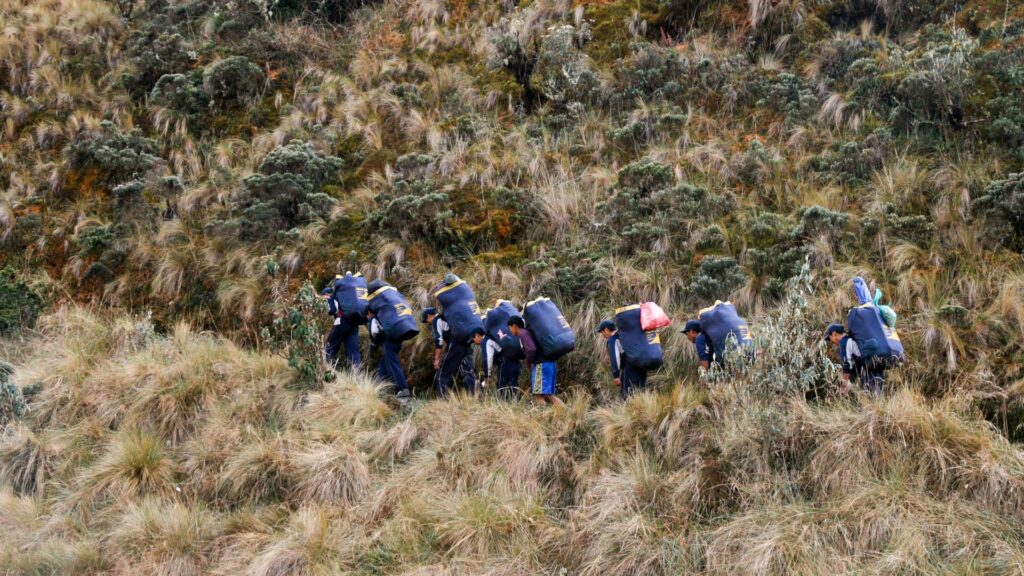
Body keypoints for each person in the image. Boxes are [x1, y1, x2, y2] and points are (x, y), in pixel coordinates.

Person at [508, 315, 564, 408]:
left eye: (509, 327)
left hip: (541, 365)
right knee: (548, 395)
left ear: (514, 325)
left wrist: (528, 362)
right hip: (549, 363)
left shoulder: (523, 333)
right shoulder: (529, 332)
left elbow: (531, 349)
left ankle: (542, 417)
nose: (510, 330)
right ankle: (569, 412)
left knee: (538, 395)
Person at [824, 323, 883, 395]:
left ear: (834, 334)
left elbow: (847, 365)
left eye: (830, 338)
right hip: (875, 367)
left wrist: (843, 387)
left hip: (868, 373)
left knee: (873, 398)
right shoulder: (852, 339)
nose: (831, 341)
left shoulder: (844, 342)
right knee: (878, 397)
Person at [368, 309, 411, 401]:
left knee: (393, 365)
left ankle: (402, 389)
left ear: (369, 312)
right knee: (384, 365)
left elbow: (374, 332)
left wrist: (373, 346)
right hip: (398, 341)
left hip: (388, 342)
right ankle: (381, 388)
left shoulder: (374, 318)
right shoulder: (387, 315)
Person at [598, 319, 647, 399]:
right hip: (642, 362)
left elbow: (615, 358)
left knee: (627, 393)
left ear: (606, 330)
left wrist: (616, 375)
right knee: (641, 390)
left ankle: (629, 410)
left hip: (630, 366)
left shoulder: (613, 339)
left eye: (602, 332)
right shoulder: (624, 334)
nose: (602, 335)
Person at [436, 322, 484, 398]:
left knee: (444, 373)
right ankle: (477, 397)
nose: (482, 342)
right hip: (463, 348)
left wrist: (437, 358)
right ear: (477, 335)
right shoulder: (469, 331)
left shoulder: (467, 333)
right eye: (482, 339)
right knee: (469, 373)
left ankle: (444, 398)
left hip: (456, 348)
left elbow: (438, 339)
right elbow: (440, 338)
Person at [323, 286, 361, 370]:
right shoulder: (347, 296)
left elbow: (331, 310)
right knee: (353, 351)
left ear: (326, 294)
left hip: (341, 322)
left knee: (331, 345)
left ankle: (328, 369)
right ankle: (358, 374)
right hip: (354, 324)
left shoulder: (330, 297)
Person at [482, 329, 522, 399]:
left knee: (503, 388)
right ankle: (516, 404)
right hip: (516, 359)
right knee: (514, 386)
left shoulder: (487, 339)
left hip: (504, 362)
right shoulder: (508, 331)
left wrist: (487, 375)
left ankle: (504, 406)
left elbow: (488, 358)